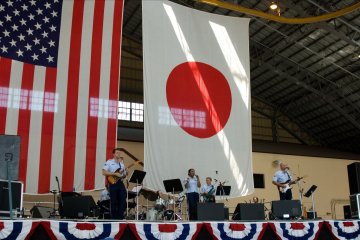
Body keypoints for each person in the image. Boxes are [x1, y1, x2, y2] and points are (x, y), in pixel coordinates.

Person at [102, 148, 128, 219]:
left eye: (119, 153)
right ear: (113, 154)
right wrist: (115, 174)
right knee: (113, 200)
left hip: (120, 182)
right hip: (112, 183)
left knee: (123, 198)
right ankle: (114, 217)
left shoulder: (122, 165)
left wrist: (125, 173)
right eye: (117, 153)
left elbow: (122, 176)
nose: (118, 154)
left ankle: (120, 216)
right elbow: (104, 172)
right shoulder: (109, 162)